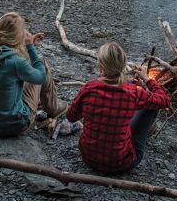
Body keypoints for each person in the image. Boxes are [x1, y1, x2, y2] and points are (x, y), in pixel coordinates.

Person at [67, 42, 170, 174]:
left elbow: (71, 117)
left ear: (101, 66)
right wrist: (148, 80)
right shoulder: (133, 92)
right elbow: (164, 100)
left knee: (118, 112)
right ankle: (138, 135)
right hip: (121, 164)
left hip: (89, 158)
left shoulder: (89, 88)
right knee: (152, 106)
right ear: (122, 66)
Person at [0, 12, 66, 137]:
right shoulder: (15, 63)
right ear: (16, 37)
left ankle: (44, 102)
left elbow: (13, 63)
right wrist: (30, 47)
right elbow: (40, 77)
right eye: (22, 31)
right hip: (14, 126)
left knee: (27, 70)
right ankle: (54, 108)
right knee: (41, 63)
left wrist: (27, 47)